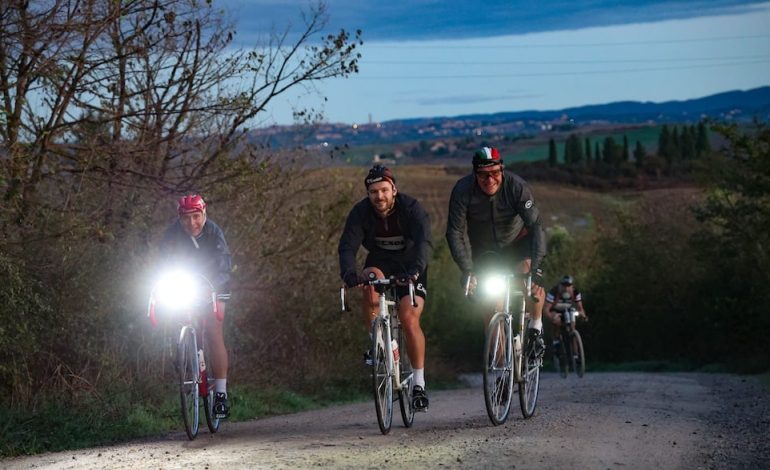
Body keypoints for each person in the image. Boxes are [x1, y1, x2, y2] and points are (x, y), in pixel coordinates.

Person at [338, 165, 433, 411]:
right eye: (373, 192)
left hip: (411, 264)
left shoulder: (411, 209)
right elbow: (347, 246)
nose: (379, 196)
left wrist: (415, 271)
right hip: (380, 261)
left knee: (409, 318)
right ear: (368, 194)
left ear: (394, 189)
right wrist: (348, 273)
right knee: (369, 282)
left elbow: (424, 242)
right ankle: (379, 343)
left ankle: (419, 384)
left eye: (383, 190)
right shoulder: (360, 212)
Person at [446, 146, 547, 356]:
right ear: (475, 174)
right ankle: (500, 370)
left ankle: (535, 328)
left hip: (519, 243)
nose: (489, 179)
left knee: (527, 279)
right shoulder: (463, 190)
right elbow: (455, 232)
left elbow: (537, 227)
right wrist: (467, 270)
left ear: (502, 170)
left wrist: (536, 268)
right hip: (486, 250)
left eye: (494, 173)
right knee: (490, 308)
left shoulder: (516, 187)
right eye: (483, 175)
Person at [159, 194, 233, 419]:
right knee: (175, 313)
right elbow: (162, 261)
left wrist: (213, 286)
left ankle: (220, 394)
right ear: (179, 218)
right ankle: (186, 353)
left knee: (213, 332)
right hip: (186, 283)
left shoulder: (214, 232)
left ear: (204, 214)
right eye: (186, 218)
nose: (192, 223)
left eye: (196, 217)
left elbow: (223, 263)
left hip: (214, 284)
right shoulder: (172, 234)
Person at [543, 274, 589, 355]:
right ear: (560, 285)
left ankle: (576, 353)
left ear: (572, 286)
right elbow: (546, 309)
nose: (566, 288)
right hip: (555, 310)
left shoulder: (575, 292)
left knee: (572, 326)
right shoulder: (553, 292)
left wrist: (583, 316)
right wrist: (551, 317)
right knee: (556, 321)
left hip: (568, 310)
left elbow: (580, 308)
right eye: (564, 285)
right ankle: (556, 342)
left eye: (568, 286)